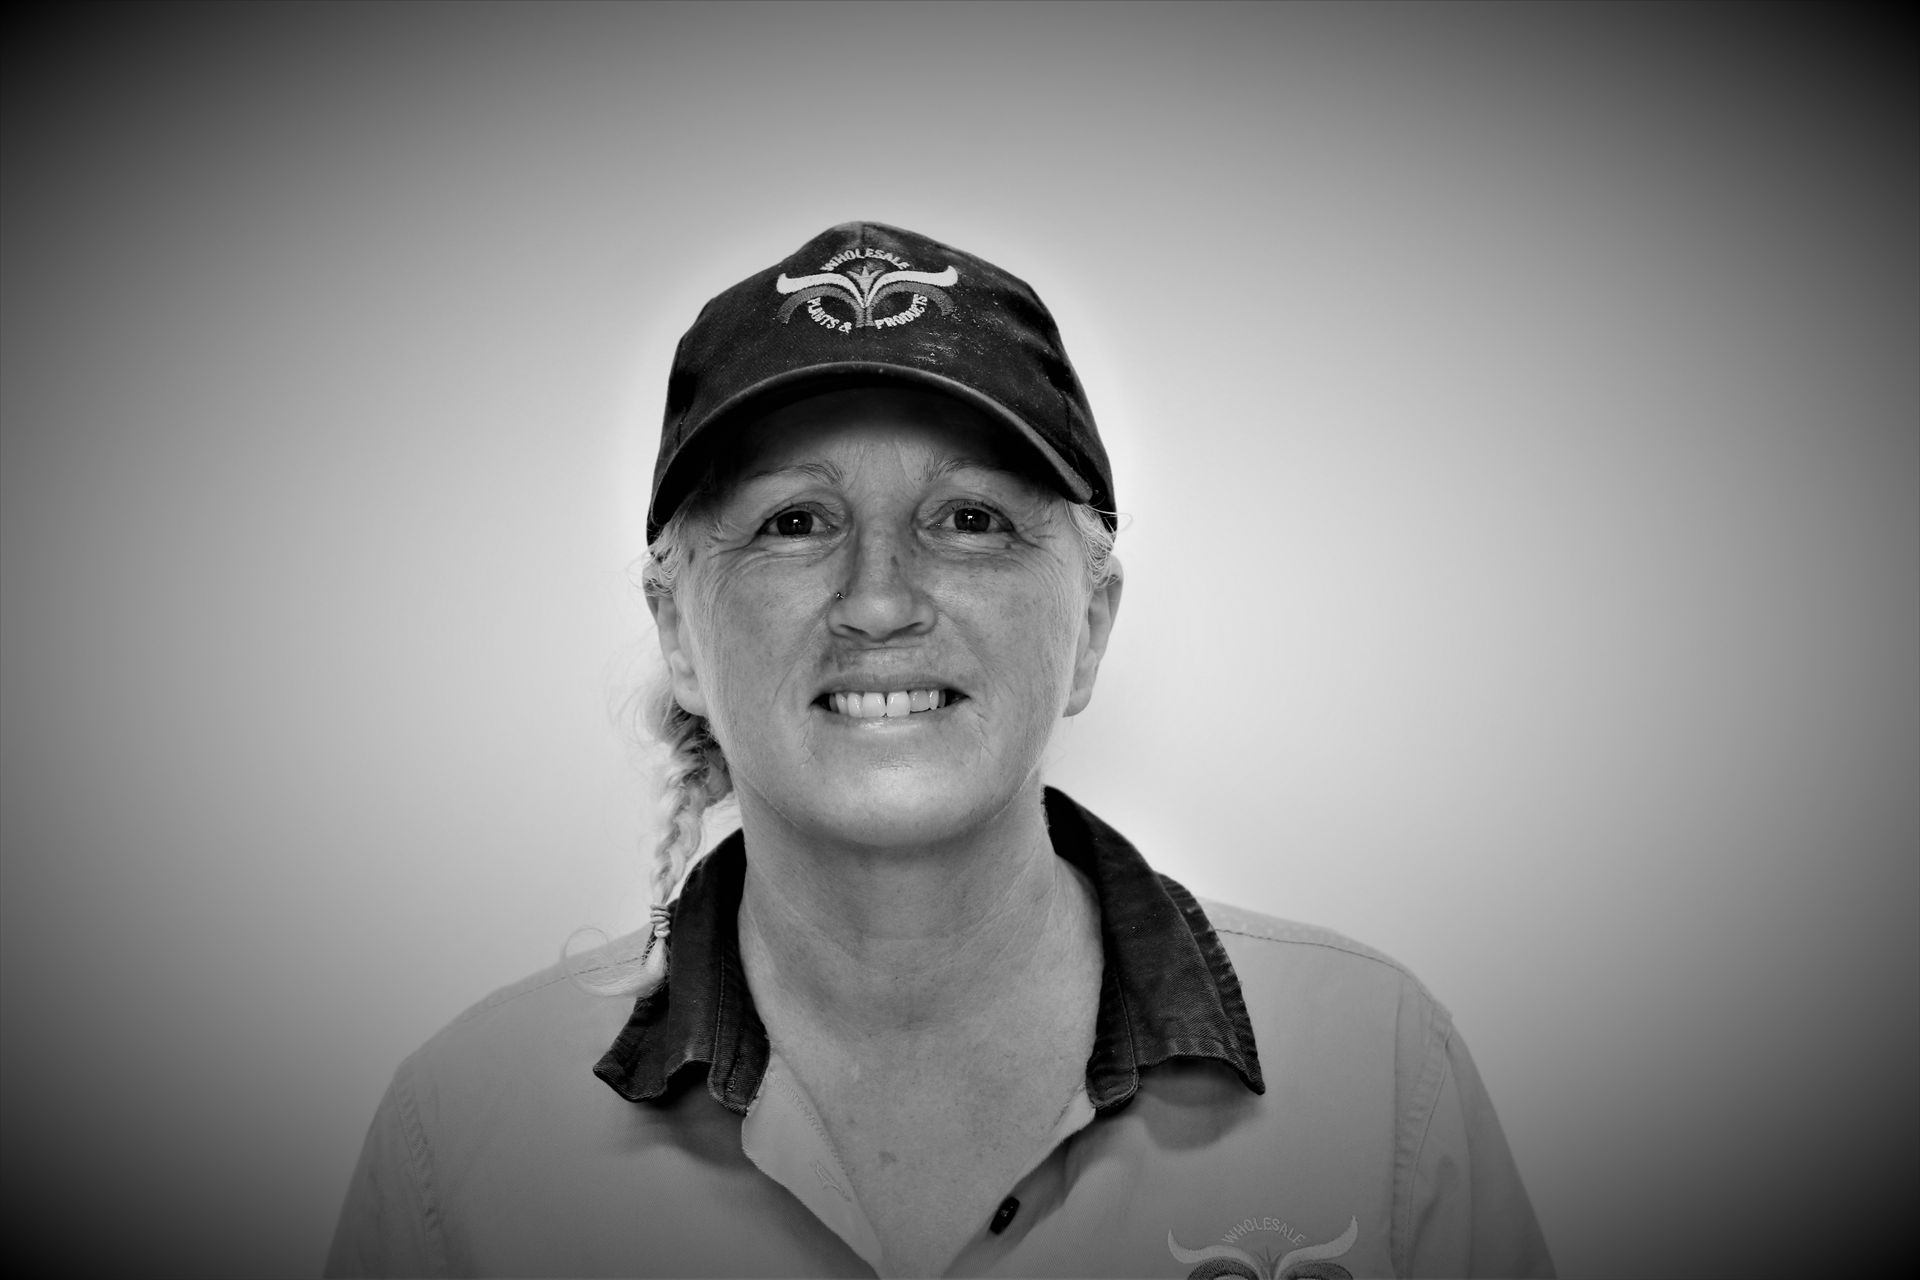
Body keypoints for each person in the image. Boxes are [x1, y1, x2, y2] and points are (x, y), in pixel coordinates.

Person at [326, 222, 1554, 1278]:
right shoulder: (466, 1139)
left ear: (1092, 624)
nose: (877, 600)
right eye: (795, 521)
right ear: (677, 629)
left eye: (969, 520)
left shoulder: (1377, 1075)